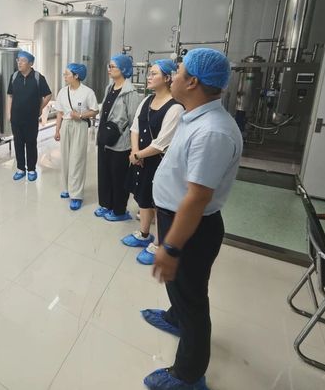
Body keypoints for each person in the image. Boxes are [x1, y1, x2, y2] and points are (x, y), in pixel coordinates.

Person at [140, 48, 242, 390]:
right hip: (176, 218)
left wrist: (170, 246)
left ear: (193, 82)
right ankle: (175, 317)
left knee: (193, 299)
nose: (173, 76)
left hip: (192, 228)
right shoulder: (193, 116)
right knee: (180, 288)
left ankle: (188, 374)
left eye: (179, 71)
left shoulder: (212, 132)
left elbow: (198, 198)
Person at [122, 59, 184, 264]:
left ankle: (159, 244)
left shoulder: (175, 108)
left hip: (159, 163)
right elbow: (135, 128)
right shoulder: (147, 100)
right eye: (149, 73)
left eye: (154, 73)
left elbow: (161, 143)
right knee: (143, 197)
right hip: (141, 159)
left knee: (159, 203)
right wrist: (135, 152)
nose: (148, 77)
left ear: (167, 78)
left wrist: (138, 155)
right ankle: (143, 234)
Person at [94, 54, 141, 221]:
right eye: (109, 66)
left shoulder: (130, 92)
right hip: (105, 139)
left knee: (118, 177)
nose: (109, 69)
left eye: (113, 66)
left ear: (123, 69)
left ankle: (119, 211)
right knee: (104, 174)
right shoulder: (110, 88)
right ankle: (106, 205)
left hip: (120, 143)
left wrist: (134, 148)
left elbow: (134, 120)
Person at [54, 63, 99, 210]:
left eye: (67, 74)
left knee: (77, 159)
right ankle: (67, 188)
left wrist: (80, 115)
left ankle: (77, 195)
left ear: (76, 76)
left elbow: (95, 111)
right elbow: (60, 113)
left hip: (79, 125)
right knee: (66, 158)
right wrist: (57, 130)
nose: (64, 76)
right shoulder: (62, 92)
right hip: (66, 125)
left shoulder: (87, 92)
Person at [7, 50, 52, 181]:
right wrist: (9, 113)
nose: (19, 63)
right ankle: (20, 169)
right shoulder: (14, 76)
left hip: (31, 118)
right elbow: (10, 95)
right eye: (18, 60)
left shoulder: (38, 78)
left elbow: (48, 95)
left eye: (23, 61)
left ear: (30, 63)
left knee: (31, 143)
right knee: (18, 143)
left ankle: (31, 169)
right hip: (16, 118)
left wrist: (40, 108)